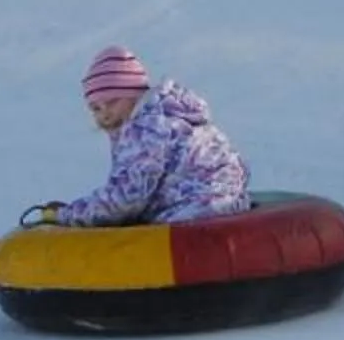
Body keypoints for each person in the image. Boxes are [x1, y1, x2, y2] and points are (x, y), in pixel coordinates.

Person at [26, 46, 252, 229]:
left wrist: (68, 215)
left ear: (135, 94)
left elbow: (126, 197)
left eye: (113, 102)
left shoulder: (145, 129)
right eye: (95, 108)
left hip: (196, 213)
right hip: (230, 202)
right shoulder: (177, 118)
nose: (105, 113)